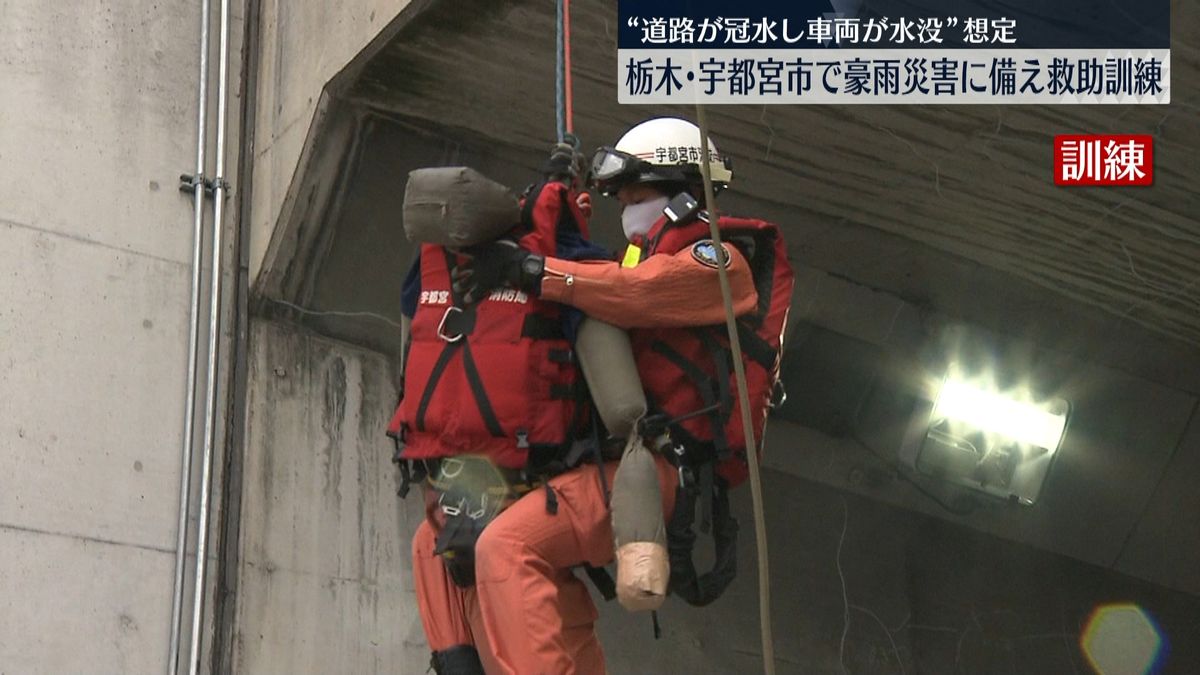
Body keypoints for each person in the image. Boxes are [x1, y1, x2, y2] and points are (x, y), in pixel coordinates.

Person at [450, 117, 796, 674]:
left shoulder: (721, 263)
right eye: (620, 197)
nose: (627, 208)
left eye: (638, 194)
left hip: (664, 469)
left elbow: (636, 294)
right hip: (621, 466)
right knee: (519, 562)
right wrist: (546, 211)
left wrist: (535, 271)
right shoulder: (635, 261)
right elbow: (601, 278)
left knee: (508, 548)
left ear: (682, 190)